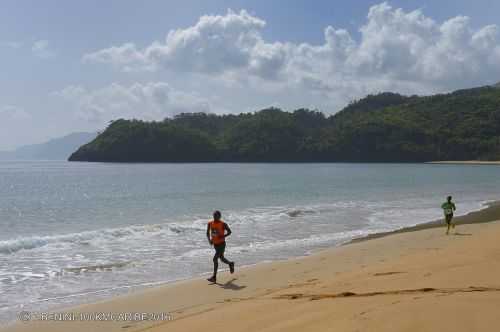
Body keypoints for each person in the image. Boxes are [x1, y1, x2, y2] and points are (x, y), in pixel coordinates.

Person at [206, 210, 235, 283]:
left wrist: (223, 236)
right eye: (214, 215)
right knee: (221, 258)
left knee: (215, 259)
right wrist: (210, 240)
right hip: (215, 244)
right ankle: (230, 263)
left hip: (222, 244)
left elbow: (229, 232)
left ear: (219, 216)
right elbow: (207, 233)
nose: (215, 217)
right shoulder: (210, 223)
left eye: (216, 216)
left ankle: (214, 277)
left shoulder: (223, 224)